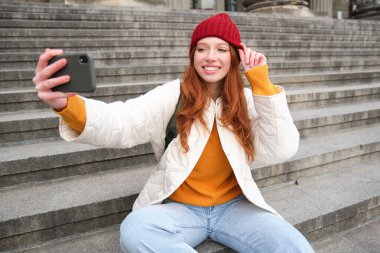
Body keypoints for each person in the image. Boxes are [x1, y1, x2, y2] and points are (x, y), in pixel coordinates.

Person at [33, 13, 314, 253]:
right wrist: (67, 105)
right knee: (136, 229)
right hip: (181, 211)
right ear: (192, 55)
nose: (210, 57)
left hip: (236, 209)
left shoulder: (250, 100)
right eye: (202, 48)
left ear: (234, 56)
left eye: (221, 49)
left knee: (294, 245)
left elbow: (282, 149)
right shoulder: (174, 94)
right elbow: (124, 121)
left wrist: (262, 85)